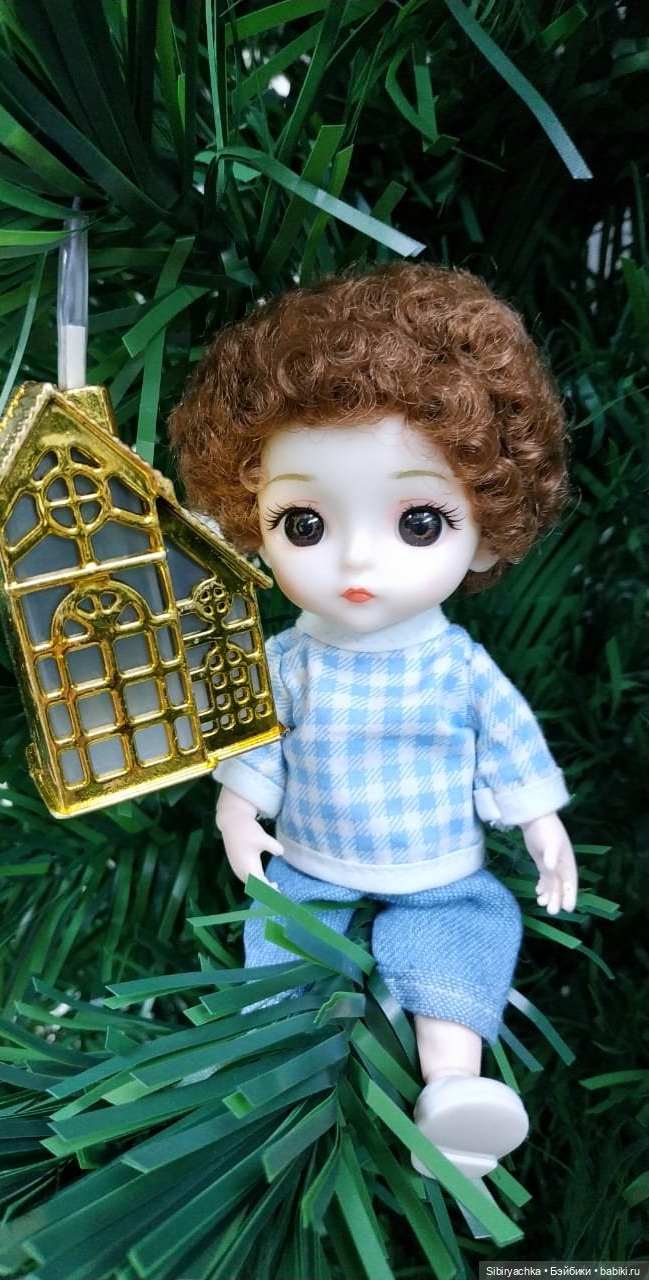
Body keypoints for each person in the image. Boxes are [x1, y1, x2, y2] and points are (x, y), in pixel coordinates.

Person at [170, 262, 578, 1179]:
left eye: (419, 522)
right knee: (283, 950)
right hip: (311, 863)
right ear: (250, 517)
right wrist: (239, 809)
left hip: (440, 869)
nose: (358, 561)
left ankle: (455, 1089)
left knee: (458, 944)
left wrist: (540, 822)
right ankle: (274, 1077)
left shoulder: (457, 666)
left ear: (488, 519)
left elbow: (508, 741)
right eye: (304, 525)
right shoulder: (290, 662)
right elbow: (257, 739)